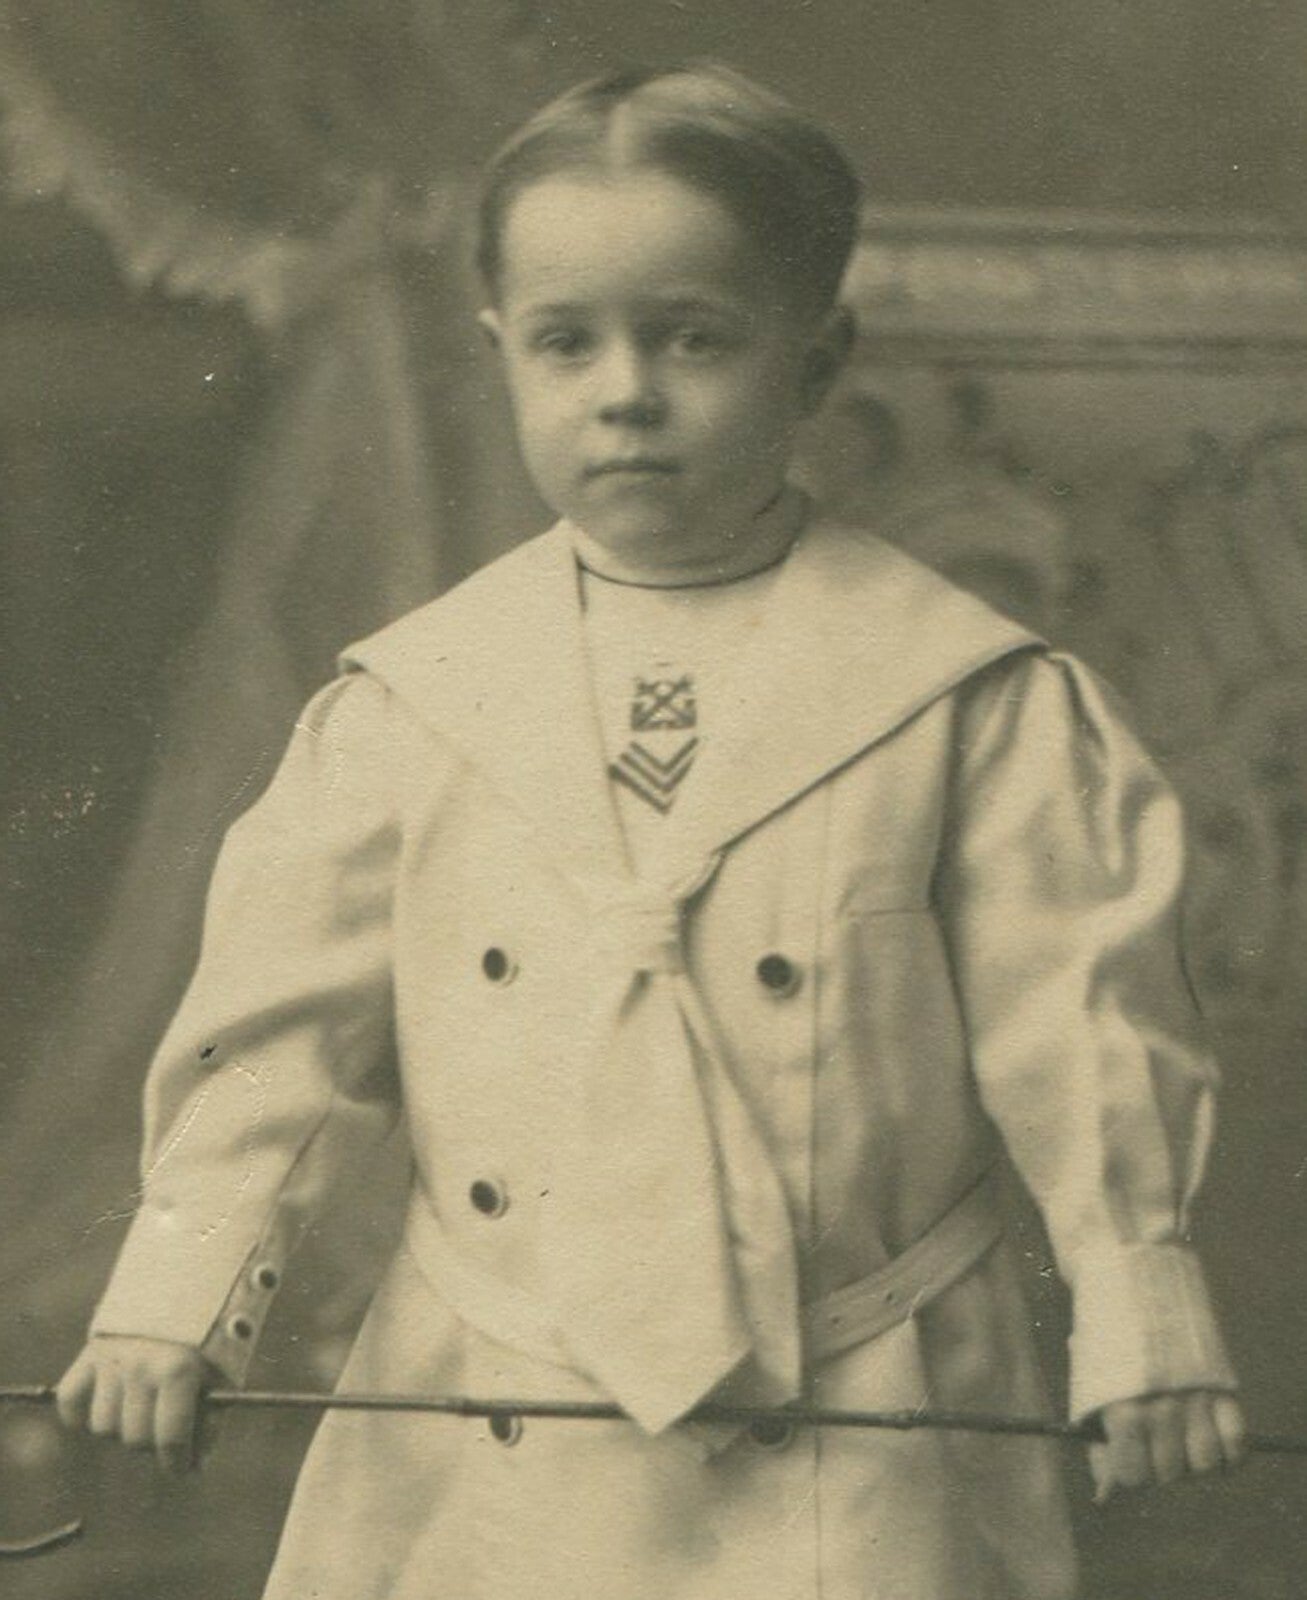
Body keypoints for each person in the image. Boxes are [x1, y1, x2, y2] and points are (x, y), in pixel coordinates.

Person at [57, 62, 1245, 1600]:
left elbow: (1081, 1025)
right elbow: (278, 1037)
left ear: (816, 363)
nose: (626, 389)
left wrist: (1139, 1300)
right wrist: (175, 1292)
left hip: (863, 1397)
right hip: (489, 1383)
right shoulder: (415, 703)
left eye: (693, 337)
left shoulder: (964, 698)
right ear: (502, 359)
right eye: (569, 342)